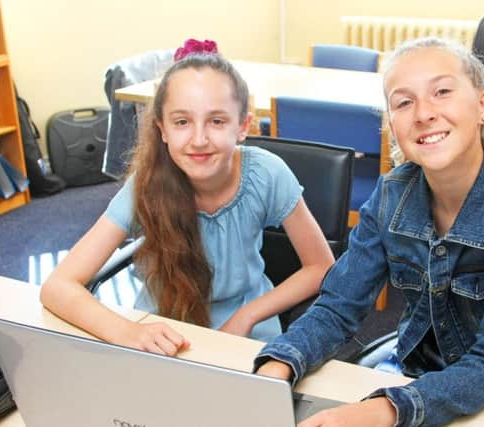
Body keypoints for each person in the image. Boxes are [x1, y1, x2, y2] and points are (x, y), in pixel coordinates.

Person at [254, 37, 484, 427]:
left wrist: (385, 409)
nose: (423, 114)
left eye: (442, 92)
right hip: (419, 357)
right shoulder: (391, 195)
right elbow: (337, 307)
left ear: (482, 106)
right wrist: (278, 364)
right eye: (404, 102)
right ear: (392, 125)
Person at [40, 39, 335, 356]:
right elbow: (58, 286)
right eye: (182, 122)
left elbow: (320, 266)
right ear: (162, 129)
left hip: (246, 331)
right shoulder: (147, 183)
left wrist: (247, 315)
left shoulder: (268, 173)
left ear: (242, 126)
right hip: (164, 332)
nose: (198, 140)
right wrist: (127, 331)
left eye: (217, 121)